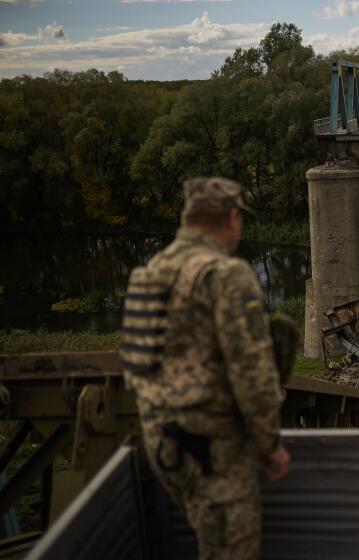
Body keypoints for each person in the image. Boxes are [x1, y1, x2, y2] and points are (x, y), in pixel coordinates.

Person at [120, 177, 290, 559]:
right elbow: (252, 371)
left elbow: (140, 366)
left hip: (161, 443)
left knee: (209, 540)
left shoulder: (150, 272)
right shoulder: (225, 274)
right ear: (232, 217)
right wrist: (269, 445)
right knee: (231, 552)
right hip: (212, 447)